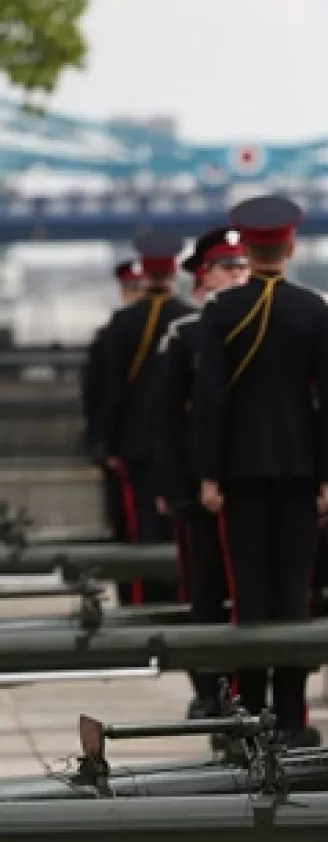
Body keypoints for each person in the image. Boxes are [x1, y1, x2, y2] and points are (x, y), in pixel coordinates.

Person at [193, 195, 328, 743]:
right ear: (291, 245)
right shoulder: (314, 310)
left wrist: (209, 474)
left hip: (239, 471)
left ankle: (248, 714)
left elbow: (211, 401)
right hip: (301, 471)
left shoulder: (221, 312)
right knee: (295, 594)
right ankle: (293, 715)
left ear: (247, 249)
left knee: (248, 595)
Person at [154, 227, 250, 716]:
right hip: (199, 488)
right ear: (203, 278)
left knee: (254, 595)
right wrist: (173, 488)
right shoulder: (186, 334)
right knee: (206, 590)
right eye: (226, 267)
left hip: (252, 483)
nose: (237, 274)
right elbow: (169, 420)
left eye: (242, 265)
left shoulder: (265, 326)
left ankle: (248, 689)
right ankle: (208, 688)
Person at [102, 232, 194, 605]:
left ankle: (141, 601)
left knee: (140, 530)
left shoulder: (122, 323)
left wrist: (107, 442)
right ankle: (184, 598)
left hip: (134, 443)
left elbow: (109, 390)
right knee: (183, 529)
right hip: (180, 443)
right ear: (174, 272)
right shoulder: (190, 319)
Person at [81, 254, 145, 604]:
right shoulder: (115, 333)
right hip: (131, 448)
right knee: (130, 530)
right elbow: (100, 392)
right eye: (130, 287)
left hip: (134, 447)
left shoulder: (116, 331)